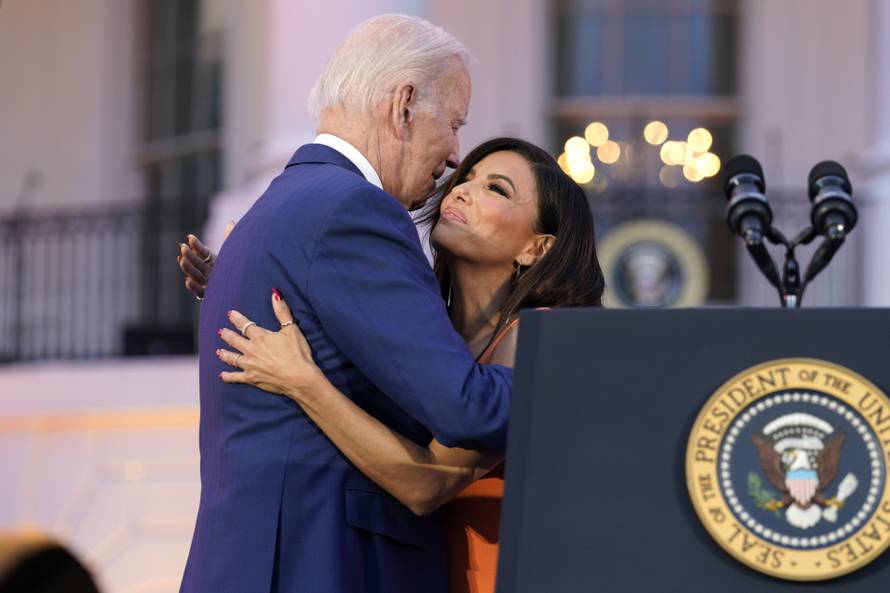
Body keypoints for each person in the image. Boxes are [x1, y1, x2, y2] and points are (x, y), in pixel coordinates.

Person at [177, 15, 516, 593]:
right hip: (321, 565)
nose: (457, 154)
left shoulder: (272, 211)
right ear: (404, 105)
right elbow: (464, 409)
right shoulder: (351, 211)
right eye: (454, 124)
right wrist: (576, 372)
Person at [180, 138, 605, 593]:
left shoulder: (535, 336)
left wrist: (304, 383)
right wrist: (242, 277)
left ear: (536, 249)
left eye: (496, 190)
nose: (460, 190)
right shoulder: (431, 337)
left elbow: (425, 485)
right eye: (466, 179)